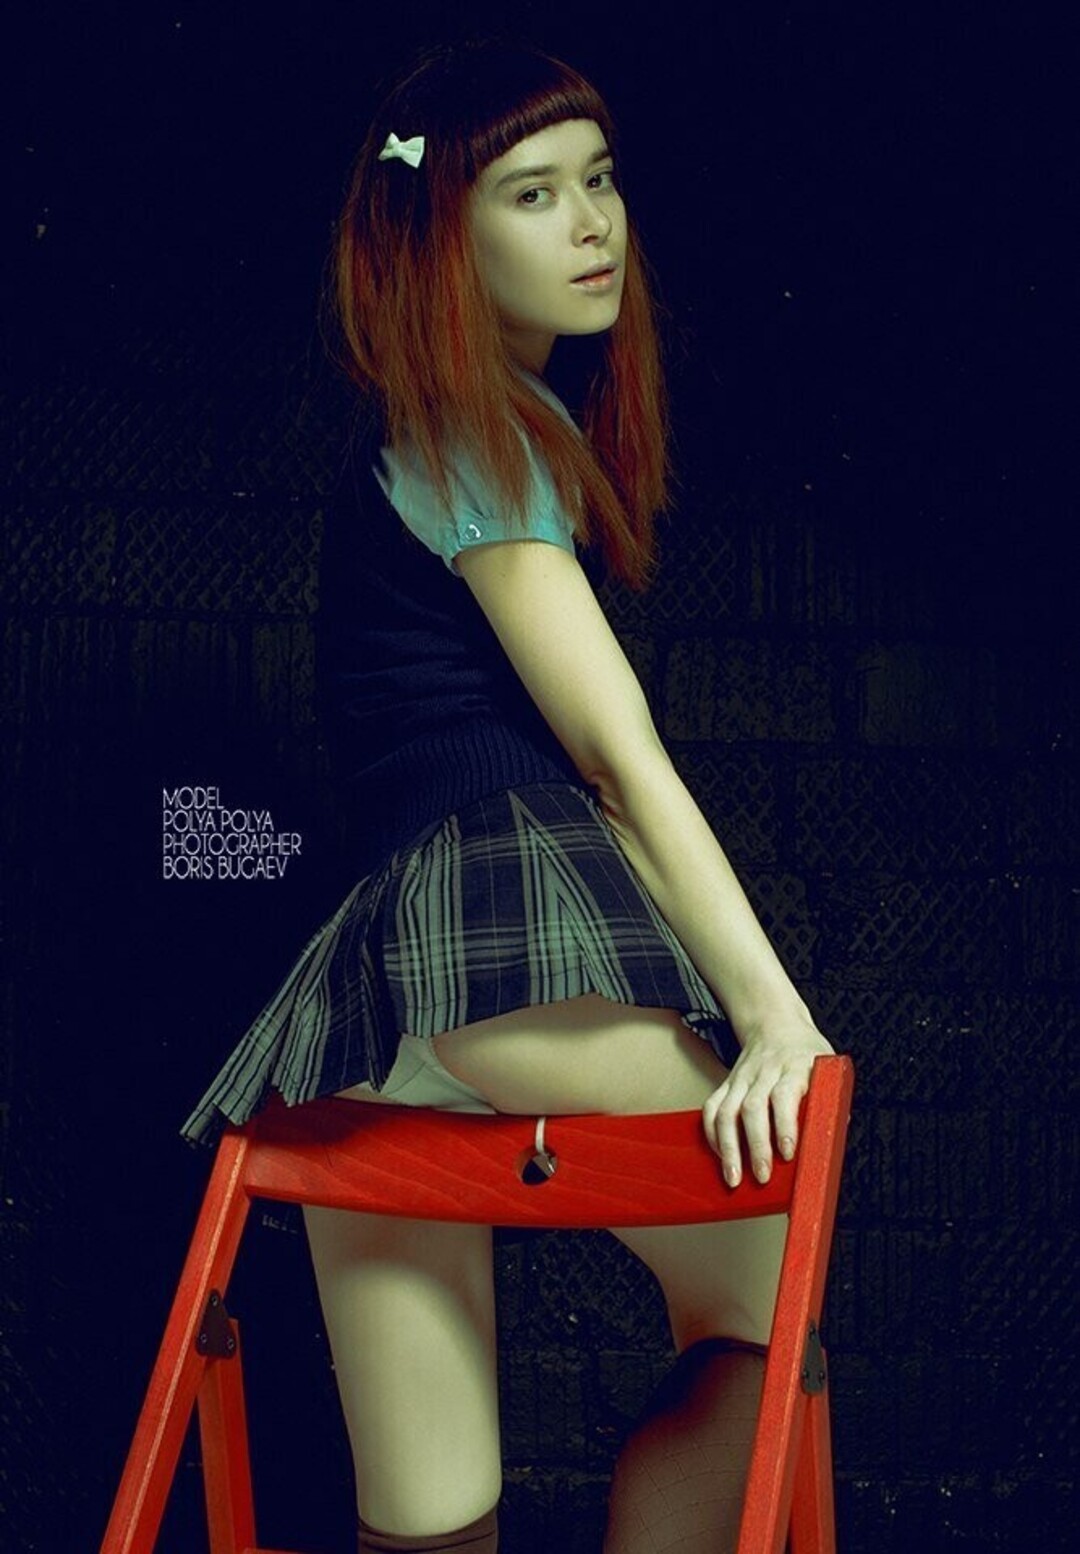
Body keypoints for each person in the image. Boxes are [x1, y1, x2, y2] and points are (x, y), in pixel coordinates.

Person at [182, 39, 834, 1554]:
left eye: (598, 180)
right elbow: (615, 762)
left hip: (375, 1012)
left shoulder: (427, 435)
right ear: (443, 240)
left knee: (431, 1510)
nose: (590, 223)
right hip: (500, 948)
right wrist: (775, 1018)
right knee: (765, 1313)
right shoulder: (482, 426)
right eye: (532, 194)